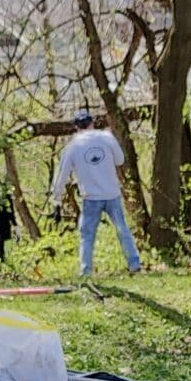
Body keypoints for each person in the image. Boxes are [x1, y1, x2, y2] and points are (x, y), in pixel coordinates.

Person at [49, 110, 140, 279]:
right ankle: (134, 264)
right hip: (112, 192)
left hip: (90, 197)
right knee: (122, 229)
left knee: (87, 235)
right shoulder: (106, 137)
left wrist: (57, 197)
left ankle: (86, 271)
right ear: (92, 123)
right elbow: (120, 160)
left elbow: (62, 174)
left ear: (76, 127)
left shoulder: (73, 146)